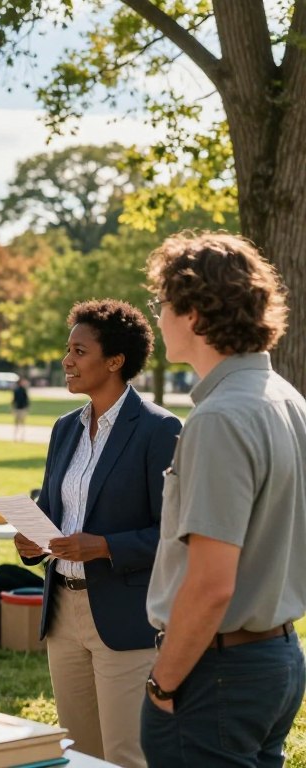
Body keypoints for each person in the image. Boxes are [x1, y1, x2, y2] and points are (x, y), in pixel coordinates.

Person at [141, 232, 306, 766]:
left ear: (193, 313)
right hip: (277, 659)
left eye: (162, 304)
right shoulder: (289, 401)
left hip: (217, 672)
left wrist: (162, 684)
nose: (158, 317)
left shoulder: (220, 418)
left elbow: (211, 584)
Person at [14, 299, 181, 767]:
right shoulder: (64, 428)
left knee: (126, 753)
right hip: (63, 612)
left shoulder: (158, 429)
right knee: (78, 750)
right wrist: (32, 541)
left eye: (79, 351)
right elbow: (52, 512)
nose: (66, 361)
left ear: (115, 360)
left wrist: (104, 546)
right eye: (67, 350)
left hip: (124, 615)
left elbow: (173, 534)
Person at [12, 376, 30, 441]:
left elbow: (26, 399)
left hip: (20, 408)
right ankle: (17, 436)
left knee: (20, 423)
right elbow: (15, 400)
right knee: (19, 423)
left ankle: (20, 436)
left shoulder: (21, 390)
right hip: (20, 408)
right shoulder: (18, 390)